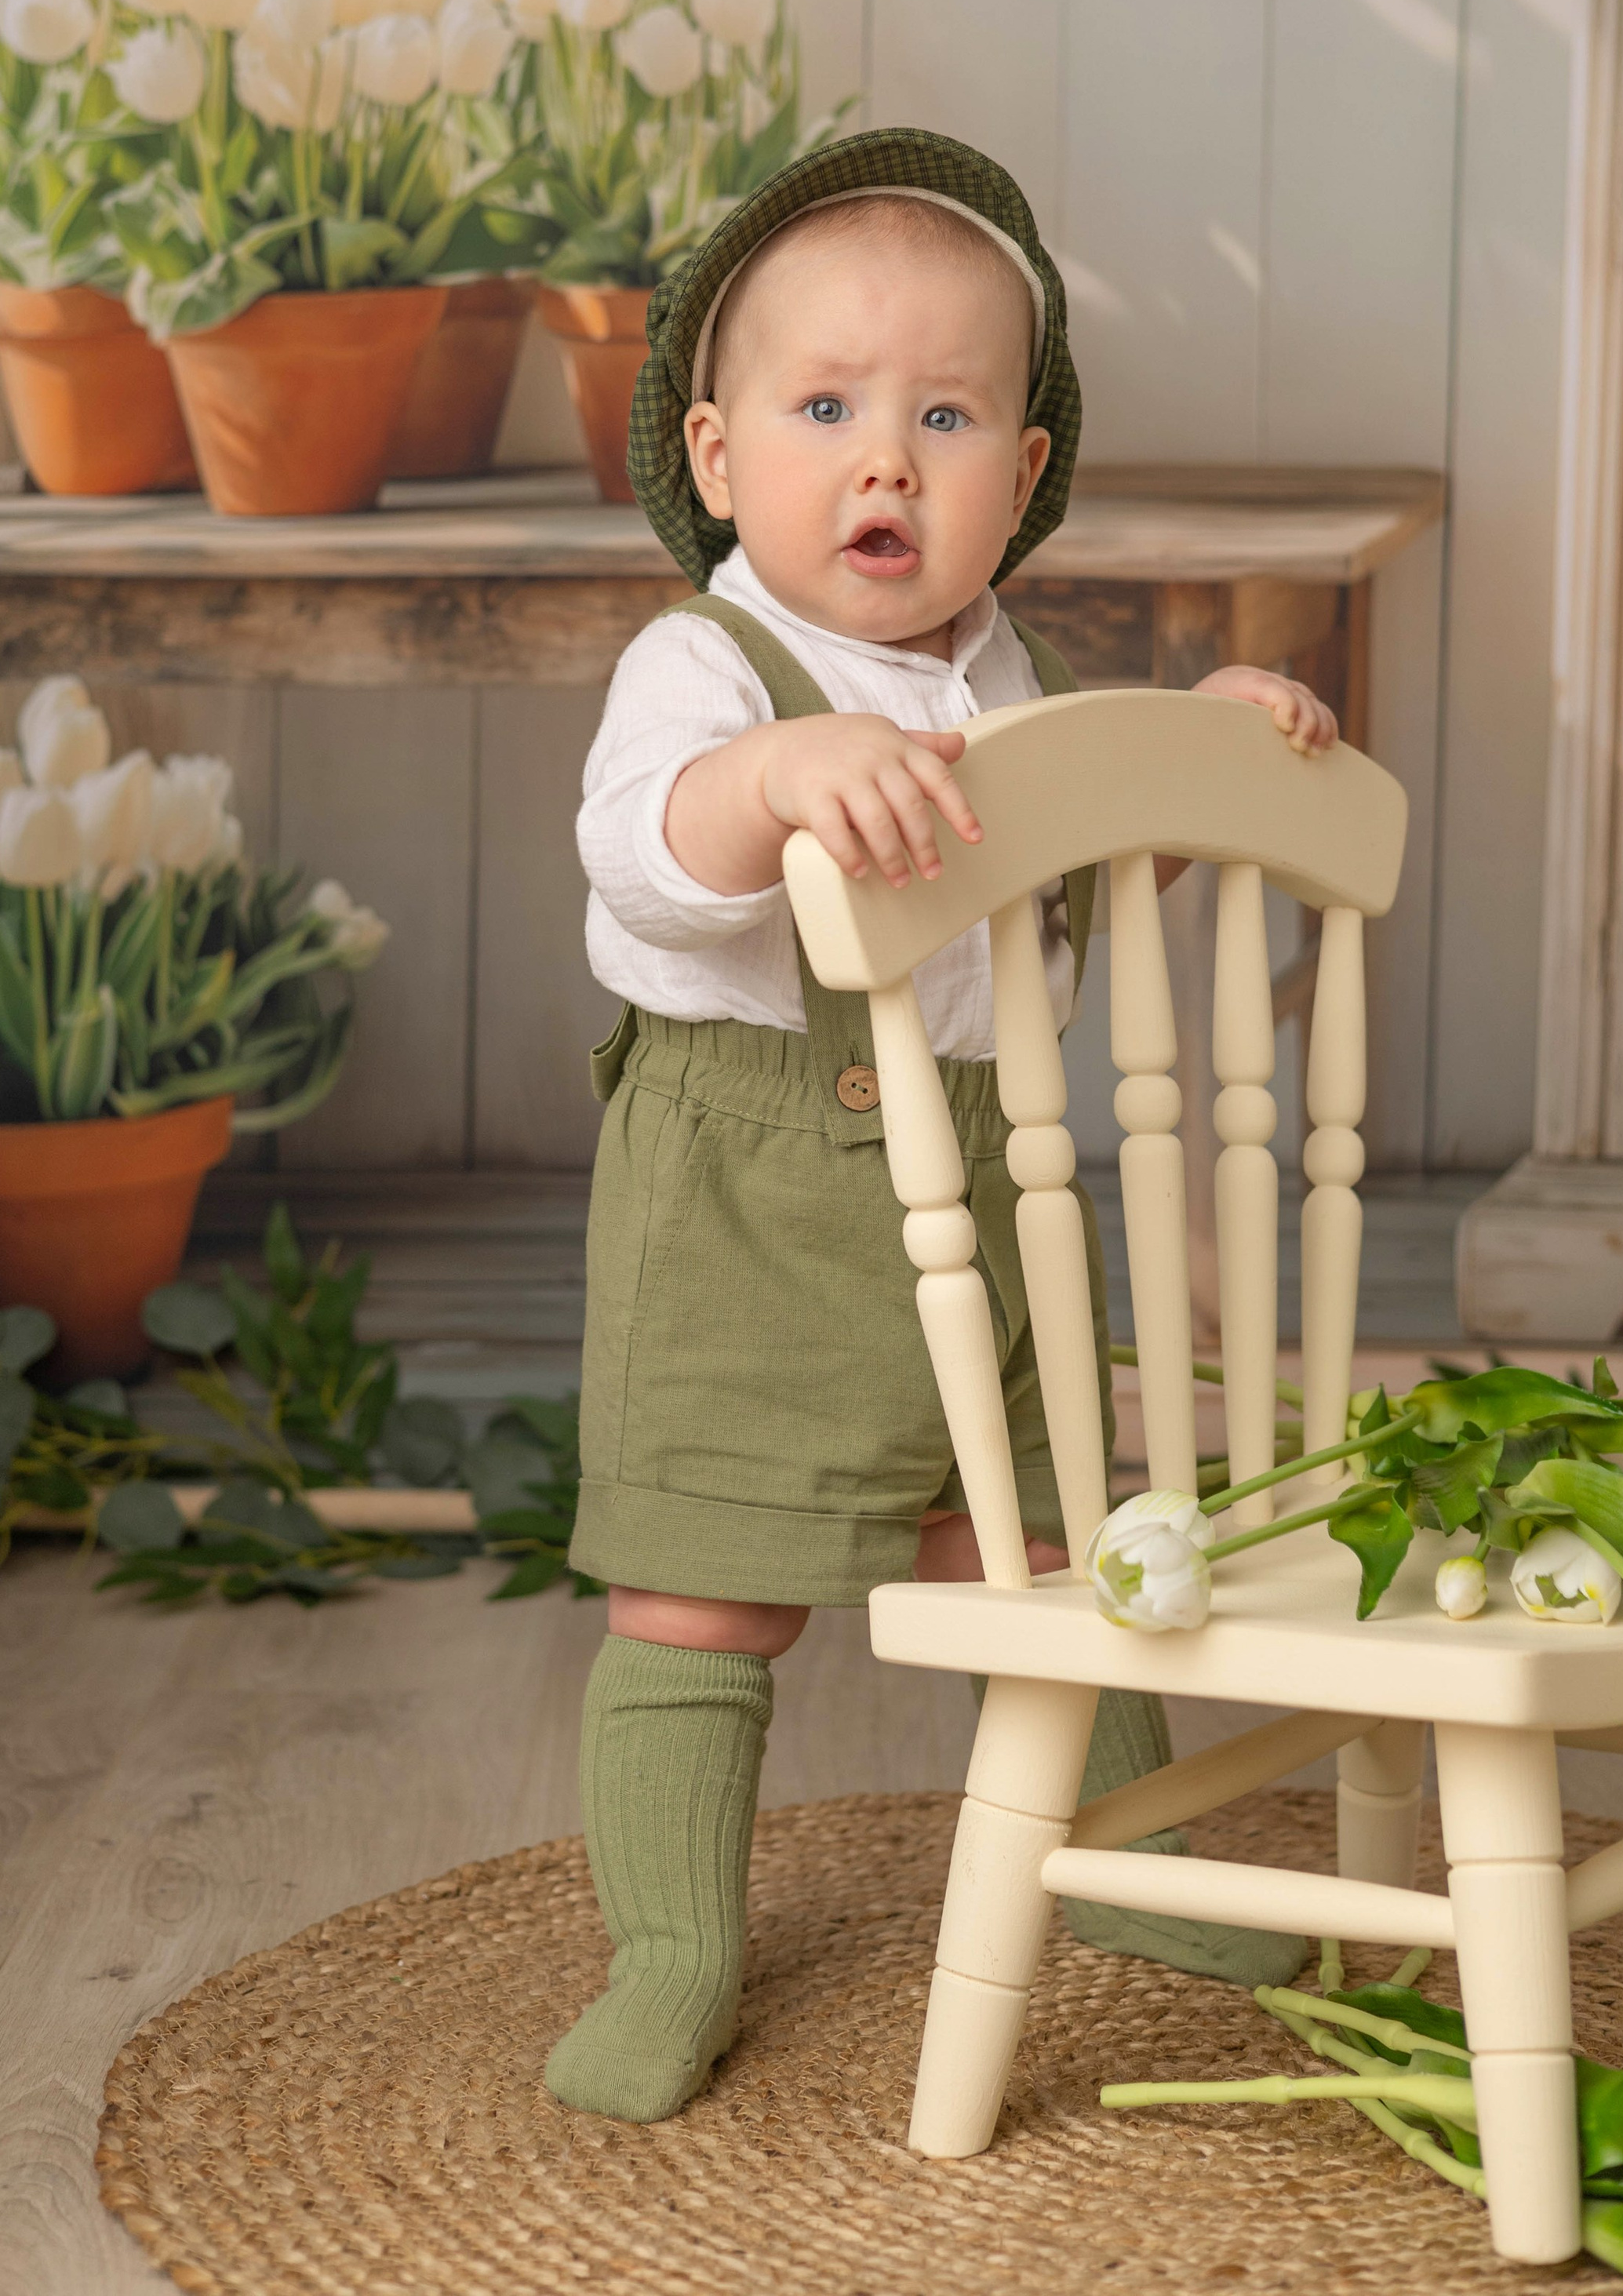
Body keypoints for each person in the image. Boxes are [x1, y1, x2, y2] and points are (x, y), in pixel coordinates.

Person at [548, 128, 1337, 2124]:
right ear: (722, 459)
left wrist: (1199, 750)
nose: (881, 460)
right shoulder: (705, 667)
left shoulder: (1009, 677)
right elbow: (639, 865)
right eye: (824, 410)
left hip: (990, 1194)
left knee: (1046, 1552)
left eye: (943, 416)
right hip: (745, 1197)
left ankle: (1132, 1861)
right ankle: (673, 1948)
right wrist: (774, 777)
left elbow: (1057, 918)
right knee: (701, 1583)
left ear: (1024, 478)